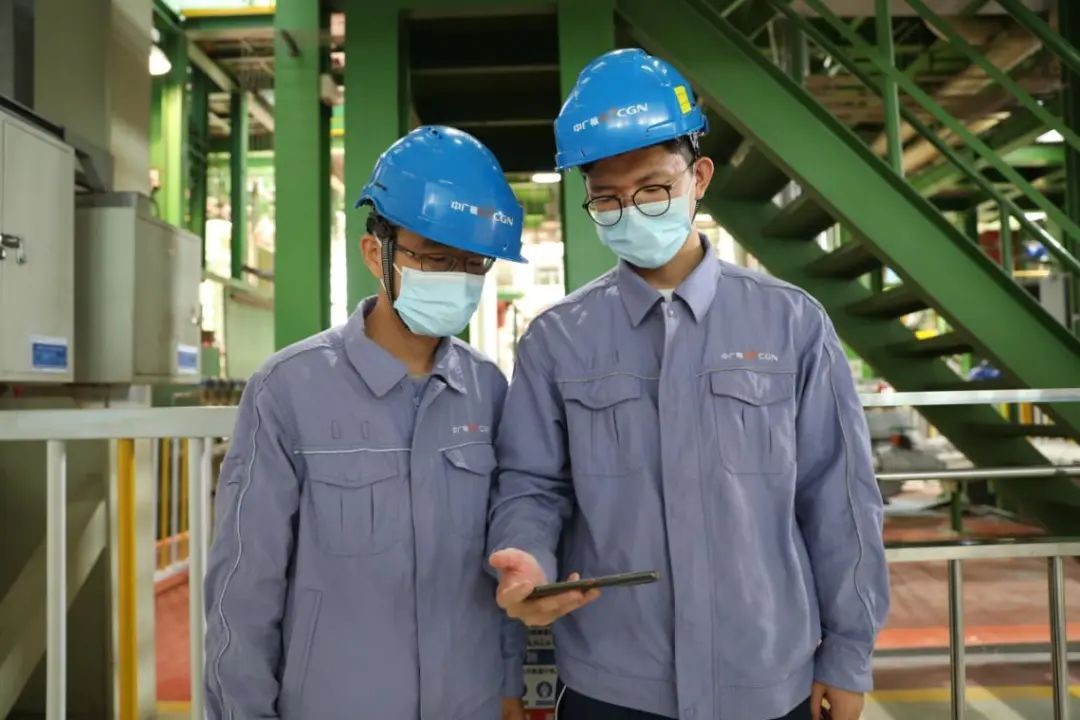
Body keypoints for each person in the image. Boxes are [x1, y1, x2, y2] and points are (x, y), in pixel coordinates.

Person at [487, 49, 890, 720]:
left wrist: (848, 654)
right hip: (614, 684)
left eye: (651, 188)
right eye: (607, 199)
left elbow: (839, 499)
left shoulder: (791, 323)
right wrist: (526, 557)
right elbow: (532, 483)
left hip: (764, 676)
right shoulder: (558, 339)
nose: (630, 211)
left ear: (697, 177)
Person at [205, 125, 529, 720]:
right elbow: (243, 590)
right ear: (375, 251)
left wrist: (508, 685)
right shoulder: (289, 390)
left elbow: (504, 559)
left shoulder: (488, 390)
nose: (455, 277)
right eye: (434, 256)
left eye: (472, 262)